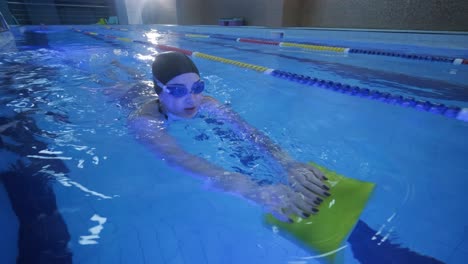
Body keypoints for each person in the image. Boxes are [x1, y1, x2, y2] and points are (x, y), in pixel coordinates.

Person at [128, 51, 330, 222]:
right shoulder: (145, 121)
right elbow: (177, 156)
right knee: (129, 84)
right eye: (178, 91)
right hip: (127, 95)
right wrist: (252, 190)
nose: (192, 98)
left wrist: (288, 163)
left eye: (197, 87)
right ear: (160, 92)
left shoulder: (207, 103)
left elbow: (250, 133)